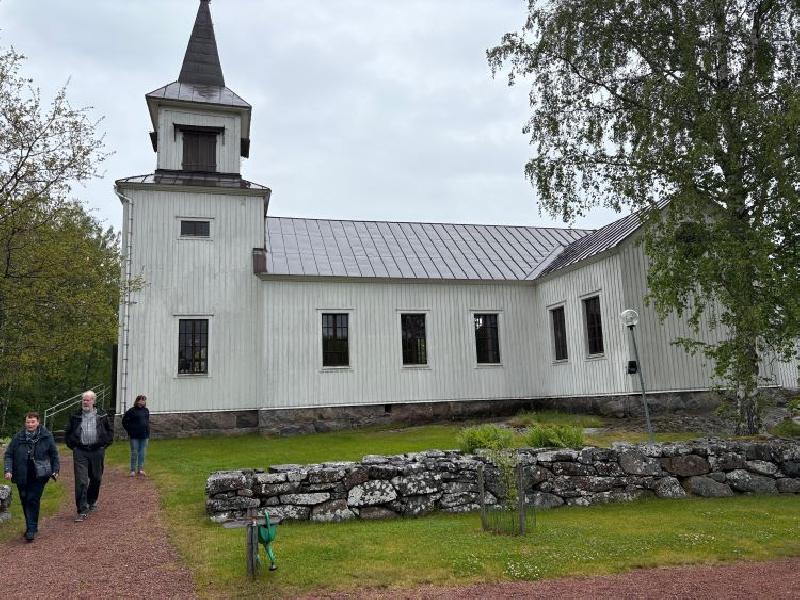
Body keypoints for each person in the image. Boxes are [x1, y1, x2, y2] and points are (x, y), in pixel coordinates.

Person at [3, 411, 60, 541]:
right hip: (21, 474)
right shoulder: (18, 437)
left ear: (38, 422)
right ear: (25, 423)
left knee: (32, 499)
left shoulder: (47, 436)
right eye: (28, 422)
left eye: (33, 422)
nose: (30, 424)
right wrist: (8, 470)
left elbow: (54, 454)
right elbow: (9, 455)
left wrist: (56, 469)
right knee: (24, 499)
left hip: (39, 474)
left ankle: (30, 529)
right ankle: (32, 526)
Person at [64, 390, 113, 522]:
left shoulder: (102, 415)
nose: (85, 402)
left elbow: (109, 430)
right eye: (84, 400)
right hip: (80, 451)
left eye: (88, 400)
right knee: (81, 481)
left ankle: (91, 500)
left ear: (93, 401)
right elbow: (68, 432)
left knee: (96, 478)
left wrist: (104, 444)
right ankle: (82, 509)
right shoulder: (75, 415)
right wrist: (73, 446)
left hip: (97, 450)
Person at [122, 394, 150, 477]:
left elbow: (147, 421)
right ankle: (132, 470)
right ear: (137, 401)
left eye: (144, 400)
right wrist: (129, 430)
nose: (143, 401)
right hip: (134, 435)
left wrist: (147, 430)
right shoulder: (131, 411)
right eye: (141, 400)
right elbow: (124, 421)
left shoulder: (146, 410)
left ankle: (140, 469)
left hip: (144, 435)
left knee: (142, 453)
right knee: (134, 452)